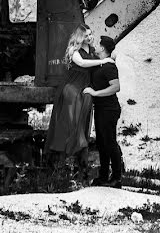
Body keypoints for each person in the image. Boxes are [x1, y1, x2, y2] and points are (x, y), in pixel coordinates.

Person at [45, 24, 114, 176]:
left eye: (90, 34)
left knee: (82, 122)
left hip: (85, 88)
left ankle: (79, 157)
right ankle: (64, 158)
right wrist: (104, 61)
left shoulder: (93, 50)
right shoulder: (73, 50)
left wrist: (110, 59)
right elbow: (82, 63)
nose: (89, 37)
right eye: (86, 35)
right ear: (80, 37)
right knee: (70, 123)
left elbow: (101, 61)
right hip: (73, 88)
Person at [84, 35, 123, 188]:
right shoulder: (100, 64)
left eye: (98, 44)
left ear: (103, 48)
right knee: (102, 143)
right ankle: (103, 176)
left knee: (110, 142)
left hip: (109, 109)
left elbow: (116, 87)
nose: (96, 46)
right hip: (101, 109)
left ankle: (117, 178)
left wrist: (95, 93)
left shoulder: (109, 67)